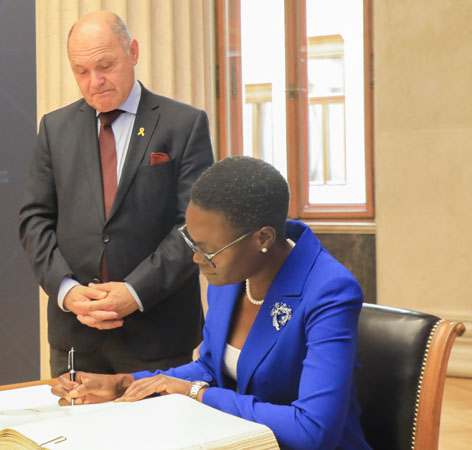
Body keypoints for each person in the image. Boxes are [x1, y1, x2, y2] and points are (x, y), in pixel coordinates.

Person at [52, 156, 372, 450]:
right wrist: (125, 384)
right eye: (192, 241)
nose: (195, 257)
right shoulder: (230, 275)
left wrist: (195, 394)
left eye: (207, 249)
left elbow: (313, 429)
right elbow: (210, 367)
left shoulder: (329, 291)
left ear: (263, 239)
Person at [19, 10, 214, 376]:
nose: (95, 82)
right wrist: (66, 290)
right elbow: (34, 219)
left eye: (105, 65)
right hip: (76, 333)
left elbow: (193, 227)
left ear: (133, 52)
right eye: (81, 71)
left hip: (157, 334)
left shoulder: (184, 125)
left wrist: (135, 292)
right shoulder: (54, 128)